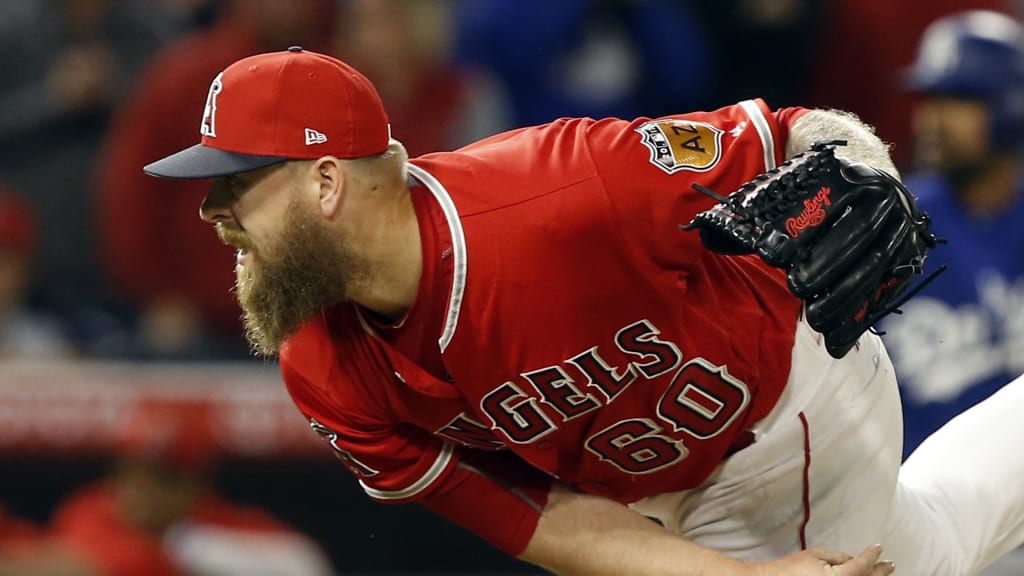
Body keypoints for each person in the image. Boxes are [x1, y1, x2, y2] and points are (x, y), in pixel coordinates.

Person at [141, 47, 1024, 575]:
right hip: (664, 489)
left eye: (236, 186)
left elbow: (791, 130)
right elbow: (545, 523)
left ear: (327, 181)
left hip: (783, 411)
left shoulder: (559, 190)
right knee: (934, 543)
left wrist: (867, 173)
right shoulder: (323, 366)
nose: (212, 213)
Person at [880, 10, 1024, 458]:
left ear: (1012, 107)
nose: (933, 120)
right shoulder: (888, 224)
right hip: (917, 495)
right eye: (930, 100)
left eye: (959, 100)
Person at [0, 402, 335, 576]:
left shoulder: (215, 524)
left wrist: (192, 547)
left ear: (194, 484)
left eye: (161, 479)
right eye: (131, 474)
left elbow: (306, 566)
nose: (140, 491)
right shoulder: (92, 508)